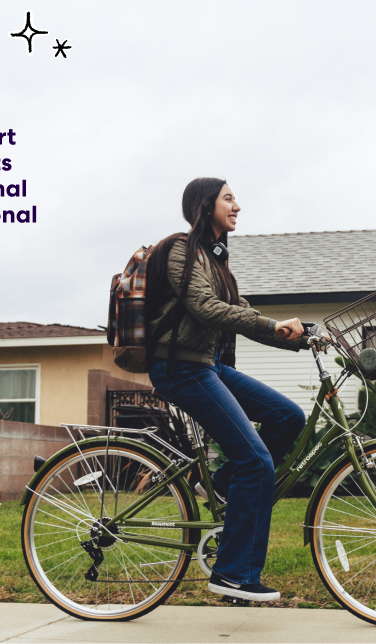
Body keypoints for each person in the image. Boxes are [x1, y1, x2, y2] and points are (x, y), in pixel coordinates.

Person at [145, 177, 316, 602]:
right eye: (228, 198)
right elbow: (205, 307)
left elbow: (240, 313)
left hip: (209, 366)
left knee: (287, 417)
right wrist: (272, 324)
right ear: (205, 206)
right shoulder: (182, 250)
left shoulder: (215, 261)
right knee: (257, 461)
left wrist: (299, 335)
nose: (237, 205)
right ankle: (233, 573)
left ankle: (221, 484)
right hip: (180, 367)